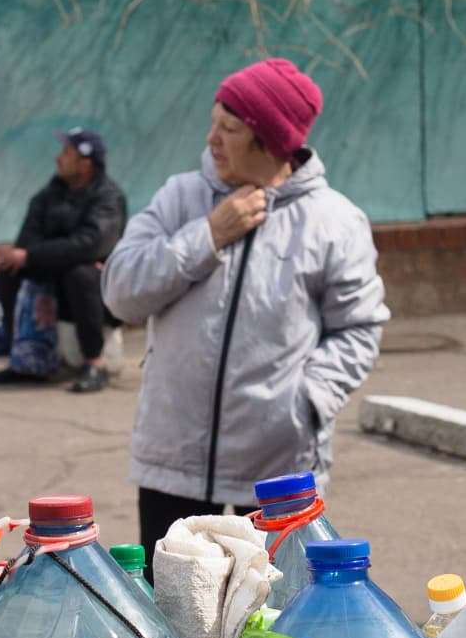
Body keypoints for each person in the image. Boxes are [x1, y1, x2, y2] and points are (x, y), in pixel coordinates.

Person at [103, 59, 386, 559]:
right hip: (173, 462)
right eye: (213, 122)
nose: (211, 138)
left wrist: (306, 402)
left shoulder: (335, 222)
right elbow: (120, 291)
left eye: (229, 128)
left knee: (275, 603)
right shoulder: (180, 198)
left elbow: (358, 329)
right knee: (178, 602)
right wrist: (209, 235)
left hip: (278, 470)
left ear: (271, 142)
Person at [0, 127, 128, 394]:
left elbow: (90, 244)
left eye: (66, 153)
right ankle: (25, 360)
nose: (58, 158)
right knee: (10, 270)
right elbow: (27, 240)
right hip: (54, 276)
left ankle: (95, 363)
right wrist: (40, 256)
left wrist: (38, 255)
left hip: (95, 290)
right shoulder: (49, 194)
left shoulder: (108, 198)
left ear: (85, 164)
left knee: (82, 274)